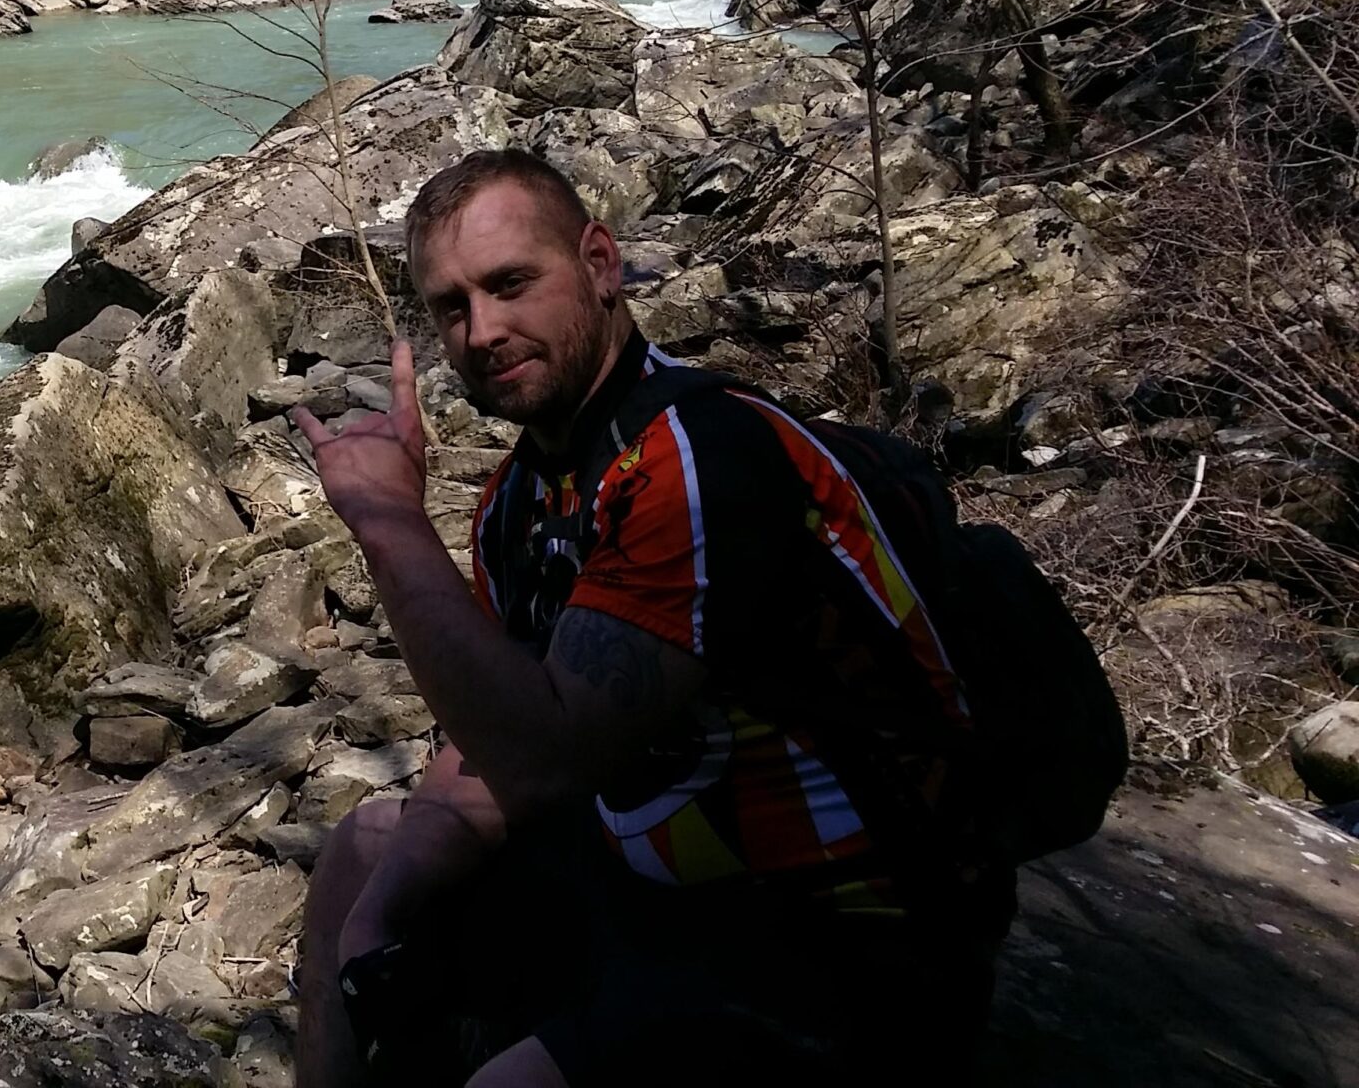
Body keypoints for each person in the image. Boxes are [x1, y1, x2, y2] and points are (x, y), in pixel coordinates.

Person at [289, 149, 1009, 1088]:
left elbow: (549, 758)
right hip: (662, 889)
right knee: (364, 857)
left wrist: (389, 525)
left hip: (844, 922)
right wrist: (373, 927)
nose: (483, 330)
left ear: (599, 264)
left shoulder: (699, 457)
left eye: (512, 284)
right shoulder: (520, 500)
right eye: (451, 307)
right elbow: (488, 751)